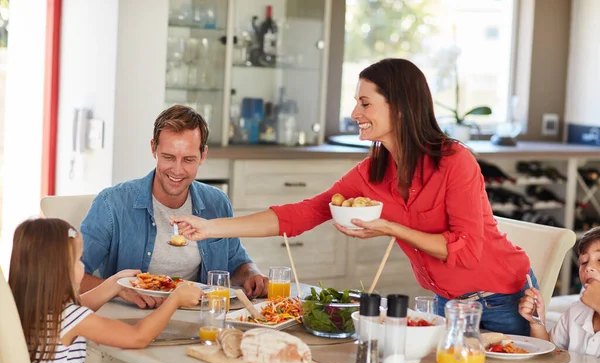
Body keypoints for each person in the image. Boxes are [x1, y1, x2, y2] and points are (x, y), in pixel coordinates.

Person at [171, 58, 537, 336]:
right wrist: (209, 227)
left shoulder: (454, 161)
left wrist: (391, 228)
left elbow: (467, 249)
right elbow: (304, 213)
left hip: (504, 300)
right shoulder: (373, 171)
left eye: (365, 103)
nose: (354, 114)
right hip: (447, 303)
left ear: (400, 106)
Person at [80, 105, 268, 309]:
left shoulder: (218, 203)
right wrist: (118, 288)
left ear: (203, 155)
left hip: (198, 319)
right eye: (168, 157)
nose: (177, 171)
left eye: (188, 159)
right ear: (154, 149)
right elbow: (69, 278)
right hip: (132, 321)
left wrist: (251, 274)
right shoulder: (112, 203)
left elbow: (236, 263)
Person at [8, 218, 203, 363]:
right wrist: (175, 299)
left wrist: (114, 285)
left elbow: (77, 308)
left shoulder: (19, 310)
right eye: (78, 260)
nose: (83, 267)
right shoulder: (71, 318)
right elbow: (138, 336)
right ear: (59, 268)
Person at [519, 226, 600, 357]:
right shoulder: (576, 312)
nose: (589, 267)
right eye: (584, 262)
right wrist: (537, 323)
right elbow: (549, 354)